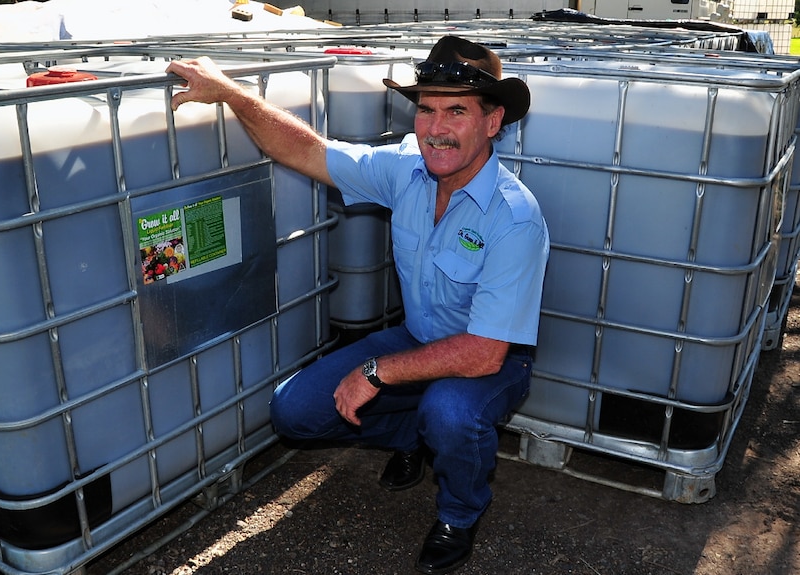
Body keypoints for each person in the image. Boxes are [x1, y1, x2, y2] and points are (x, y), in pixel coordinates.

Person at [167, 35, 549, 575]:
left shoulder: (514, 217)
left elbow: (485, 352)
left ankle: (459, 514)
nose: (436, 129)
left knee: (451, 412)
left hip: (493, 361)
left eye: (457, 111)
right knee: (293, 413)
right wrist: (233, 94)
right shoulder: (406, 170)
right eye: (427, 109)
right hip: (419, 340)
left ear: (493, 122)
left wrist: (375, 371)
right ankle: (418, 436)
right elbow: (305, 150)